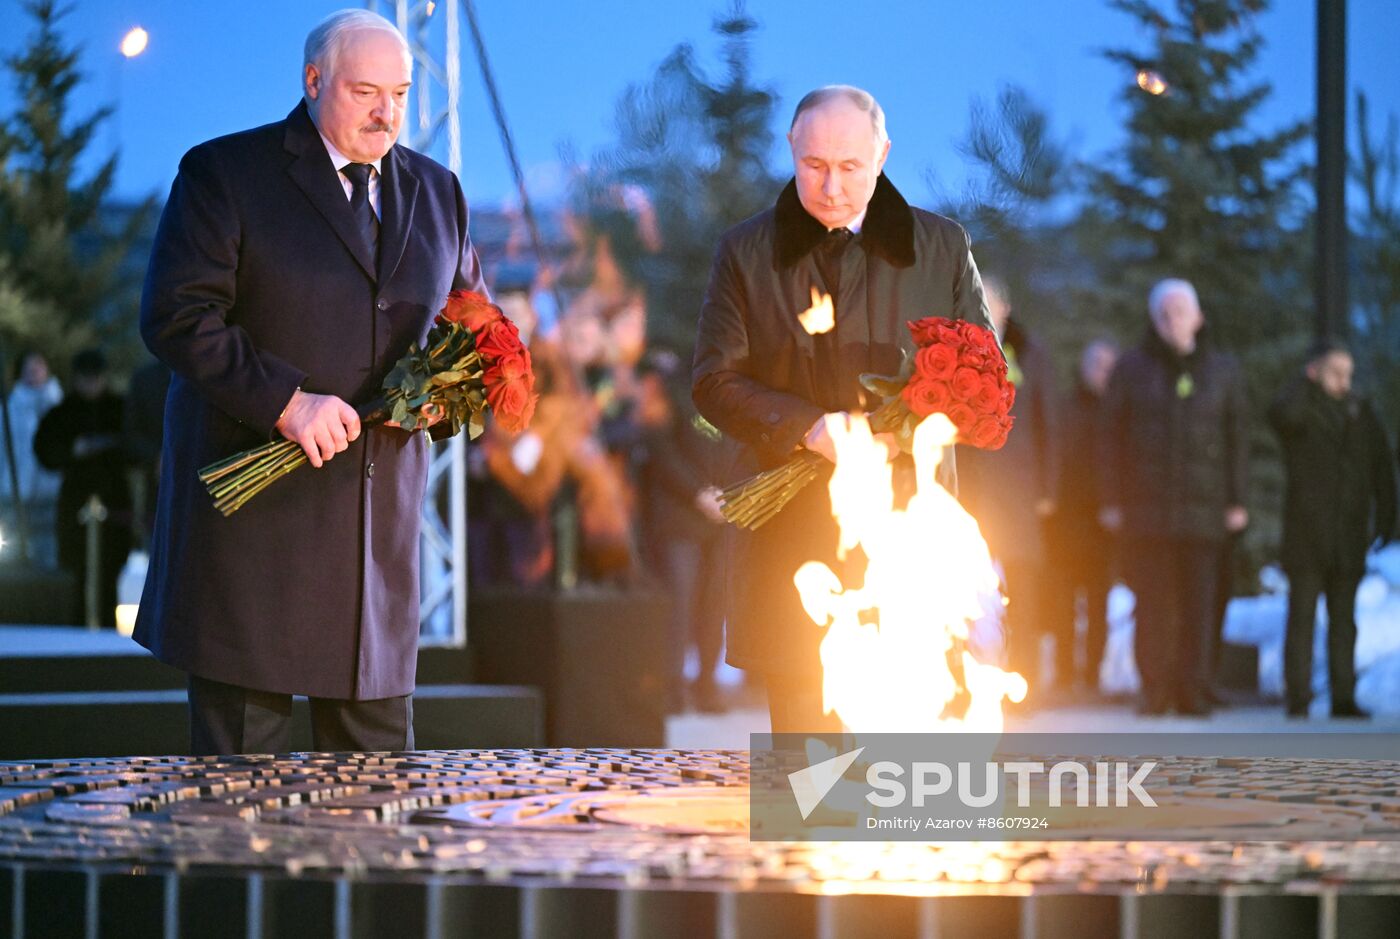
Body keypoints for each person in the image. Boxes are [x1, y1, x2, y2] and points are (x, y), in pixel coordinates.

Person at [137, 9, 485, 755]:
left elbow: (474, 330)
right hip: (253, 546)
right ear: (313, 80)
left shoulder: (440, 193)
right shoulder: (226, 174)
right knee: (238, 802)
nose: (387, 112)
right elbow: (176, 316)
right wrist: (286, 401)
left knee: (376, 803)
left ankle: (806, 826)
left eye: (400, 93)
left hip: (374, 558)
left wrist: (450, 395)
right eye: (366, 92)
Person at [693, 85, 994, 734]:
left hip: (908, 524)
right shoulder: (747, 252)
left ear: (882, 155)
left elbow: (983, 376)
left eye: (851, 167)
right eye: (814, 165)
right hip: (793, 536)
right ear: (791, 149)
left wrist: (903, 428)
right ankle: (811, 805)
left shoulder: (939, 247)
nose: (831, 187)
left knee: (906, 734)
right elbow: (713, 381)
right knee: (809, 745)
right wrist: (808, 428)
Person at [1099, 279, 1248, 716]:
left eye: (1181, 310)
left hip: (1205, 510)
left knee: (1200, 605)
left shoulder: (1222, 370)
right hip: (1147, 511)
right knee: (1153, 604)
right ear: (1154, 319)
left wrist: (1237, 500)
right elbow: (1110, 437)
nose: (1173, 320)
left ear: (1198, 317)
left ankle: (1193, 689)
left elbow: (1237, 437)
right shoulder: (1131, 369)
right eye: (1164, 313)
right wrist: (1111, 499)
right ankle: (1155, 689)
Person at [1269, 340, 1397, 719]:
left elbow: (1381, 466)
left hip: (1348, 534)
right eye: (1336, 372)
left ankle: (1344, 696)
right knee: (1302, 618)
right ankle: (1298, 697)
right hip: (1307, 535)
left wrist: (1387, 517)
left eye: (1348, 373)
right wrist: (1304, 382)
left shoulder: (1360, 412)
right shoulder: (1301, 410)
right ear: (1316, 372)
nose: (1344, 380)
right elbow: (1280, 415)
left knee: (1344, 621)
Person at [956, 276, 1058, 698]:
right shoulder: (954, 352)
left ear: (1005, 308)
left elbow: (1050, 425)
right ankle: (963, 687)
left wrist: (1048, 489)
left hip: (1018, 491)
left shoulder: (1030, 355)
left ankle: (1022, 684)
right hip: (971, 491)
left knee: (1022, 591)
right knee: (962, 591)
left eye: (989, 300)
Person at [32, 349, 132, 626]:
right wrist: (73, 451)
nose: (91, 384)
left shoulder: (119, 409)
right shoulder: (62, 413)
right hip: (76, 499)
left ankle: (107, 626)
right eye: (85, 378)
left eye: (95, 378)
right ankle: (76, 626)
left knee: (110, 568)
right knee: (76, 569)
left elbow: (136, 446)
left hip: (113, 499)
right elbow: (44, 451)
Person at [1043, 339, 1118, 695]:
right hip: (1067, 519)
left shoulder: (1118, 410)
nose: (1103, 372)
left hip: (1104, 521)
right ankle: (1063, 673)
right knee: (1063, 597)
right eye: (1097, 364)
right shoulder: (1065, 407)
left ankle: (1092, 675)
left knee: (1099, 599)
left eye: (1109, 365)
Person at [1, 350, 64, 566]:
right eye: (28, 368)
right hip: (14, 494)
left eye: (38, 366)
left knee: (48, 554)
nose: (34, 372)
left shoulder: (59, 407)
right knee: (10, 553)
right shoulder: (10, 409)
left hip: (51, 494)